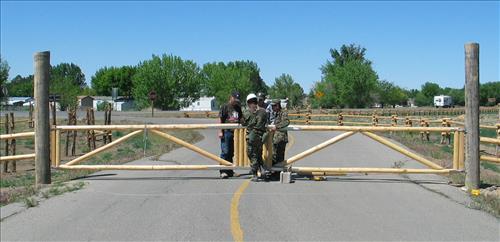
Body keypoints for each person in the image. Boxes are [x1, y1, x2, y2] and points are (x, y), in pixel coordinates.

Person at [243, 93, 268, 182]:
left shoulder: (248, 112)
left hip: (252, 137)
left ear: (248, 102)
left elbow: (243, 122)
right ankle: (262, 170)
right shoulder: (263, 111)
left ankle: (254, 174)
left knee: (252, 154)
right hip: (261, 137)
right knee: (259, 154)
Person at [218, 91, 243, 179]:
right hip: (226, 132)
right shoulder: (225, 106)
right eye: (235, 99)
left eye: (237, 99)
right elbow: (220, 119)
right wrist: (220, 131)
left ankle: (230, 171)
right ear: (231, 97)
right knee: (225, 152)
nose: (236, 101)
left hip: (235, 133)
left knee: (231, 152)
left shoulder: (238, 107)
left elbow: (241, 119)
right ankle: (223, 171)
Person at [270, 99, 289, 178]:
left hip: (281, 138)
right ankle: (275, 171)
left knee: (279, 156)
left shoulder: (283, 113)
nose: (272, 107)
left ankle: (278, 173)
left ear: (278, 105)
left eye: (274, 106)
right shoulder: (276, 114)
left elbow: (286, 122)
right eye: (272, 106)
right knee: (274, 155)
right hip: (276, 138)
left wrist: (276, 127)